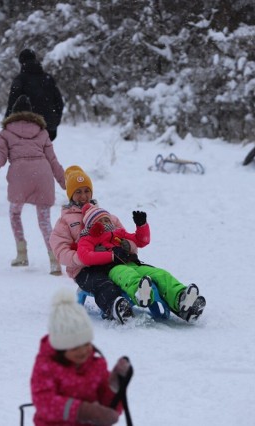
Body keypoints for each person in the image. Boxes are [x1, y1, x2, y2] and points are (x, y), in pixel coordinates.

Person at [0, 95, 65, 275]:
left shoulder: (6, 133)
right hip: (43, 175)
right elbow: (53, 161)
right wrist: (66, 184)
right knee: (45, 221)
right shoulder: (42, 132)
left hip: (20, 176)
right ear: (31, 113)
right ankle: (54, 261)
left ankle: (22, 254)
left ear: (13, 113)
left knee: (15, 213)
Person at [77, 203, 206, 323]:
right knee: (127, 274)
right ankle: (140, 293)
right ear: (91, 225)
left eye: (106, 219)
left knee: (159, 274)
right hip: (111, 268)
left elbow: (141, 241)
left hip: (133, 264)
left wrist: (142, 226)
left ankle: (181, 299)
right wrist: (111, 256)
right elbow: (85, 256)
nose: (104, 223)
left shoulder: (118, 233)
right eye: (99, 221)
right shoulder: (87, 237)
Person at [30, 288, 131, 426]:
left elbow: (107, 407)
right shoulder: (46, 367)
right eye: (75, 347)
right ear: (60, 348)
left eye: (86, 343)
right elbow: (44, 402)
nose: (83, 351)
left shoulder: (96, 365)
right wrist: (83, 411)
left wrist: (113, 387)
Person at [49, 166, 134, 324]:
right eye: (78, 192)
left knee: (134, 273)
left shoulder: (104, 215)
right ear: (71, 195)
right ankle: (116, 306)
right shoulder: (65, 221)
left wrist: (127, 246)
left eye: (87, 191)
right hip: (84, 269)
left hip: (109, 261)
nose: (83, 196)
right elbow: (60, 250)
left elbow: (124, 235)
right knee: (102, 283)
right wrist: (83, 258)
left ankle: (167, 297)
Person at [5, 48, 64, 141]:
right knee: (44, 153)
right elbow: (59, 102)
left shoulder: (20, 80)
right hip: (48, 127)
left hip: (26, 127)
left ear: (21, 62)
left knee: (27, 154)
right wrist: (54, 121)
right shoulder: (48, 78)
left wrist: (7, 123)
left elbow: (12, 103)